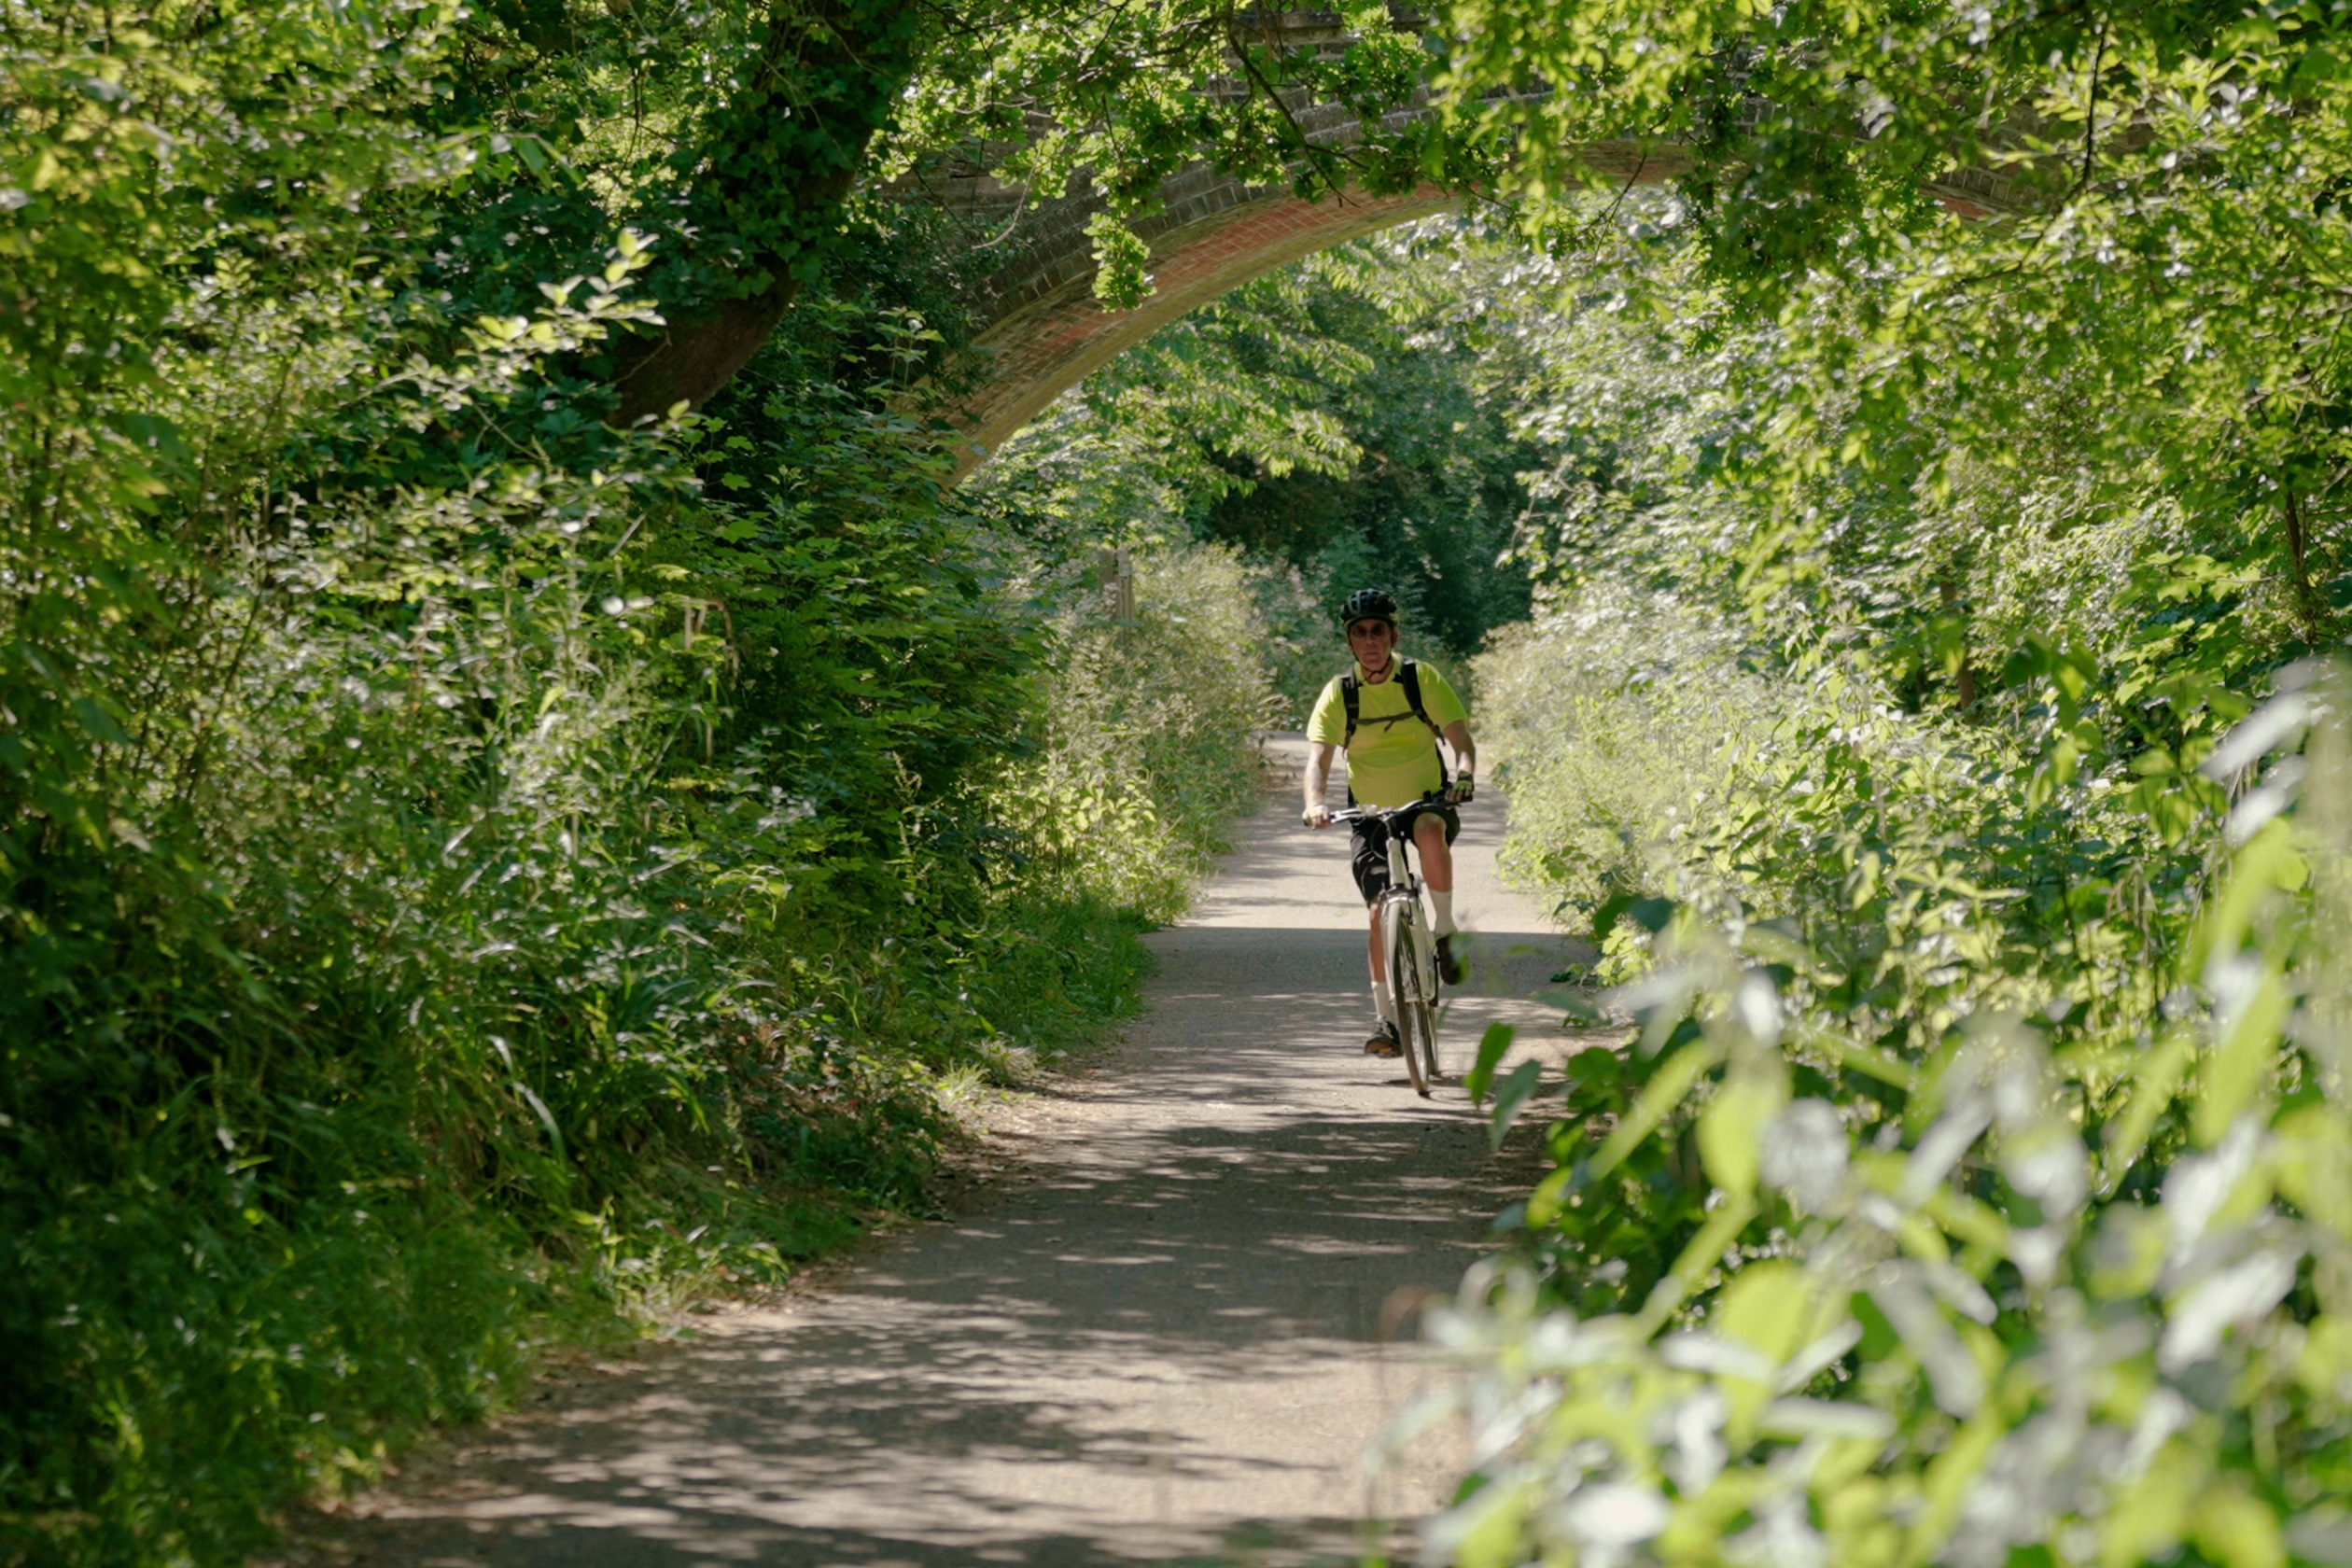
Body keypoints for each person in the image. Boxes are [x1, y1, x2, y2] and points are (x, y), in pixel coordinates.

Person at [1299, 588, 1477, 1058]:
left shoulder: (1421, 679)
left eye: (1378, 631)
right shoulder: (1341, 693)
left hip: (1427, 799)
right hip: (1370, 814)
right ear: (1350, 642)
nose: (1370, 640)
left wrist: (1463, 777)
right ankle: (1386, 1019)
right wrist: (1314, 803)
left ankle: (1442, 930)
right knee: (1378, 913)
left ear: (1393, 635)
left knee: (1429, 831)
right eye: (1360, 633)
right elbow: (1318, 759)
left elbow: (1461, 740)